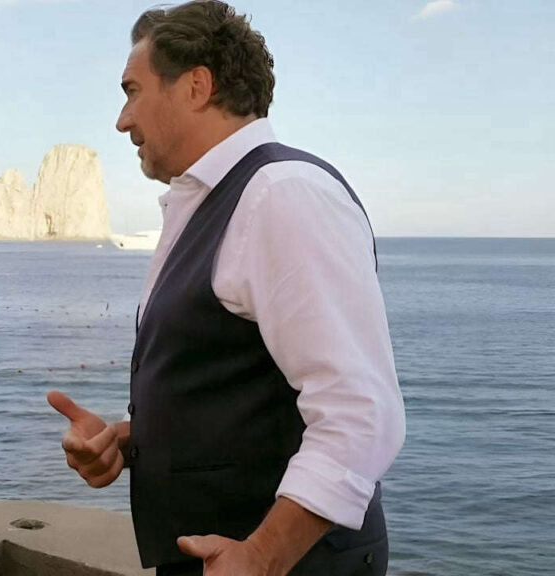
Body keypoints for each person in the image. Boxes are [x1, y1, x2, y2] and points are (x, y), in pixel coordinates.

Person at [48, 2, 406, 575]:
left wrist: (262, 555)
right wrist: (128, 443)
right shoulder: (212, 203)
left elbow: (360, 413)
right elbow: (241, 398)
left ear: (196, 86)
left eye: (132, 91)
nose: (122, 120)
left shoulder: (281, 194)